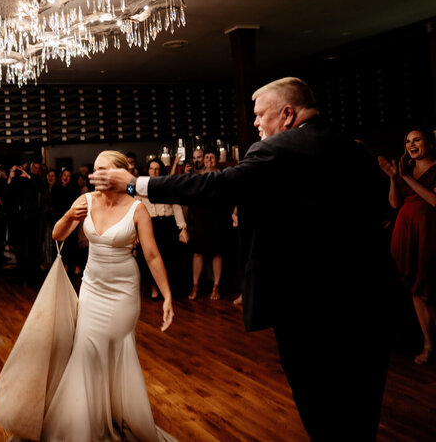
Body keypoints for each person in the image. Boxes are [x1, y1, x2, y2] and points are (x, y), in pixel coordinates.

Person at [90, 77, 393, 441]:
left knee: (319, 401)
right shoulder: (353, 148)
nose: (255, 123)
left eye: (260, 115)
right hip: (369, 295)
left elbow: (215, 185)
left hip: (306, 299)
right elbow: (381, 208)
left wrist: (135, 183)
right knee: (362, 402)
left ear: (287, 113)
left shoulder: (280, 148)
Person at [0, 150, 174, 440]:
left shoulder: (137, 209)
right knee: (87, 351)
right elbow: (57, 234)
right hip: (92, 287)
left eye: (103, 170)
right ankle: (84, 422)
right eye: (94, 170)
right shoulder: (85, 200)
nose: (95, 177)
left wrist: (167, 295)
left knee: (116, 351)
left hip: (123, 291)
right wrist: (69, 215)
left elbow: (152, 255)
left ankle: (115, 412)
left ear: (120, 173)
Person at [378, 128, 436, 364]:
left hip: (429, 232)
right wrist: (394, 178)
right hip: (405, 230)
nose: (411, 145)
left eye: (417, 140)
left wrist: (408, 178)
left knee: (430, 285)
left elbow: (434, 200)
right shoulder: (405, 169)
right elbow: (395, 203)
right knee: (414, 287)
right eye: (407, 141)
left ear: (430, 144)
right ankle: (428, 344)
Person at [137, 159, 189, 299]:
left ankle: (168, 289)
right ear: (147, 170)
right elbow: (131, 200)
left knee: (169, 257)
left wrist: (182, 228)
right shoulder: (140, 185)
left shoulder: (168, 185)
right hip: (150, 224)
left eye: (157, 169)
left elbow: (176, 207)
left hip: (168, 223)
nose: (154, 171)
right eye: (152, 169)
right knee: (150, 257)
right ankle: (154, 288)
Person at [186, 150, 232, 301]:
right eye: (206, 157)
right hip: (201, 217)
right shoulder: (197, 176)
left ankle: (216, 286)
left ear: (217, 159)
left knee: (217, 252)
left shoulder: (224, 175)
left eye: (212, 157)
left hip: (218, 216)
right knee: (197, 252)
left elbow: (232, 195)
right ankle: (195, 285)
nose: (209, 160)